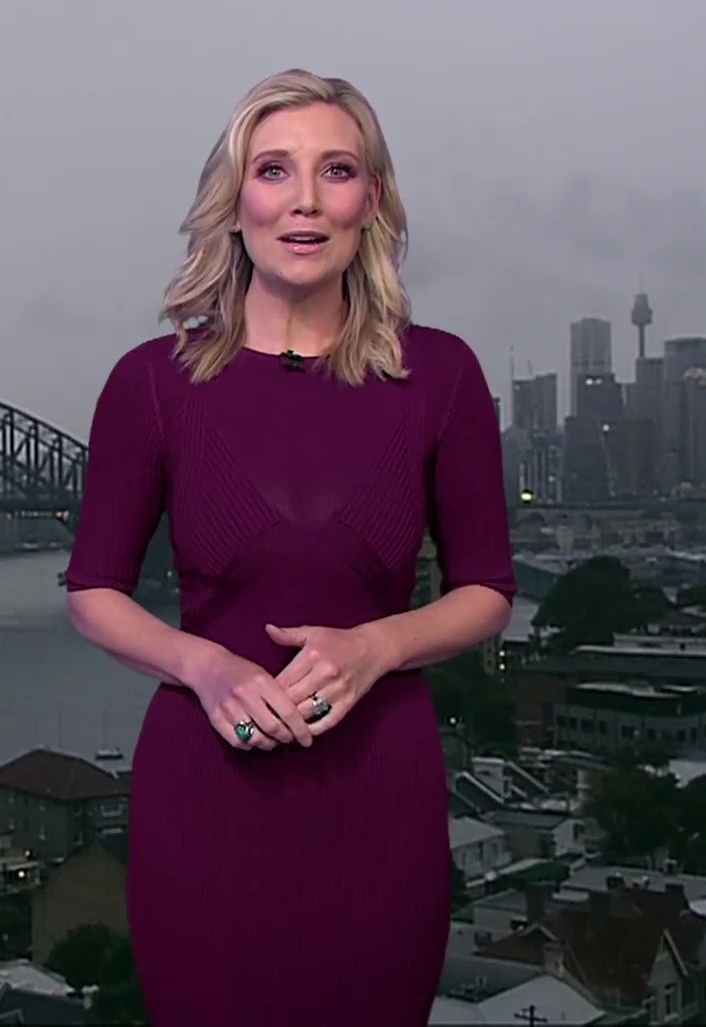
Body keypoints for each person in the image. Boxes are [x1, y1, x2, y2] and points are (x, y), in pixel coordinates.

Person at [63, 69, 517, 1025]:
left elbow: (486, 589)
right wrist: (203, 666)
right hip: (206, 788)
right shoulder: (152, 384)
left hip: (381, 792)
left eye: (336, 170)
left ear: (372, 200)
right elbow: (93, 590)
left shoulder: (441, 374)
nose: (304, 199)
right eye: (273, 170)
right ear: (235, 204)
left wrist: (377, 646)